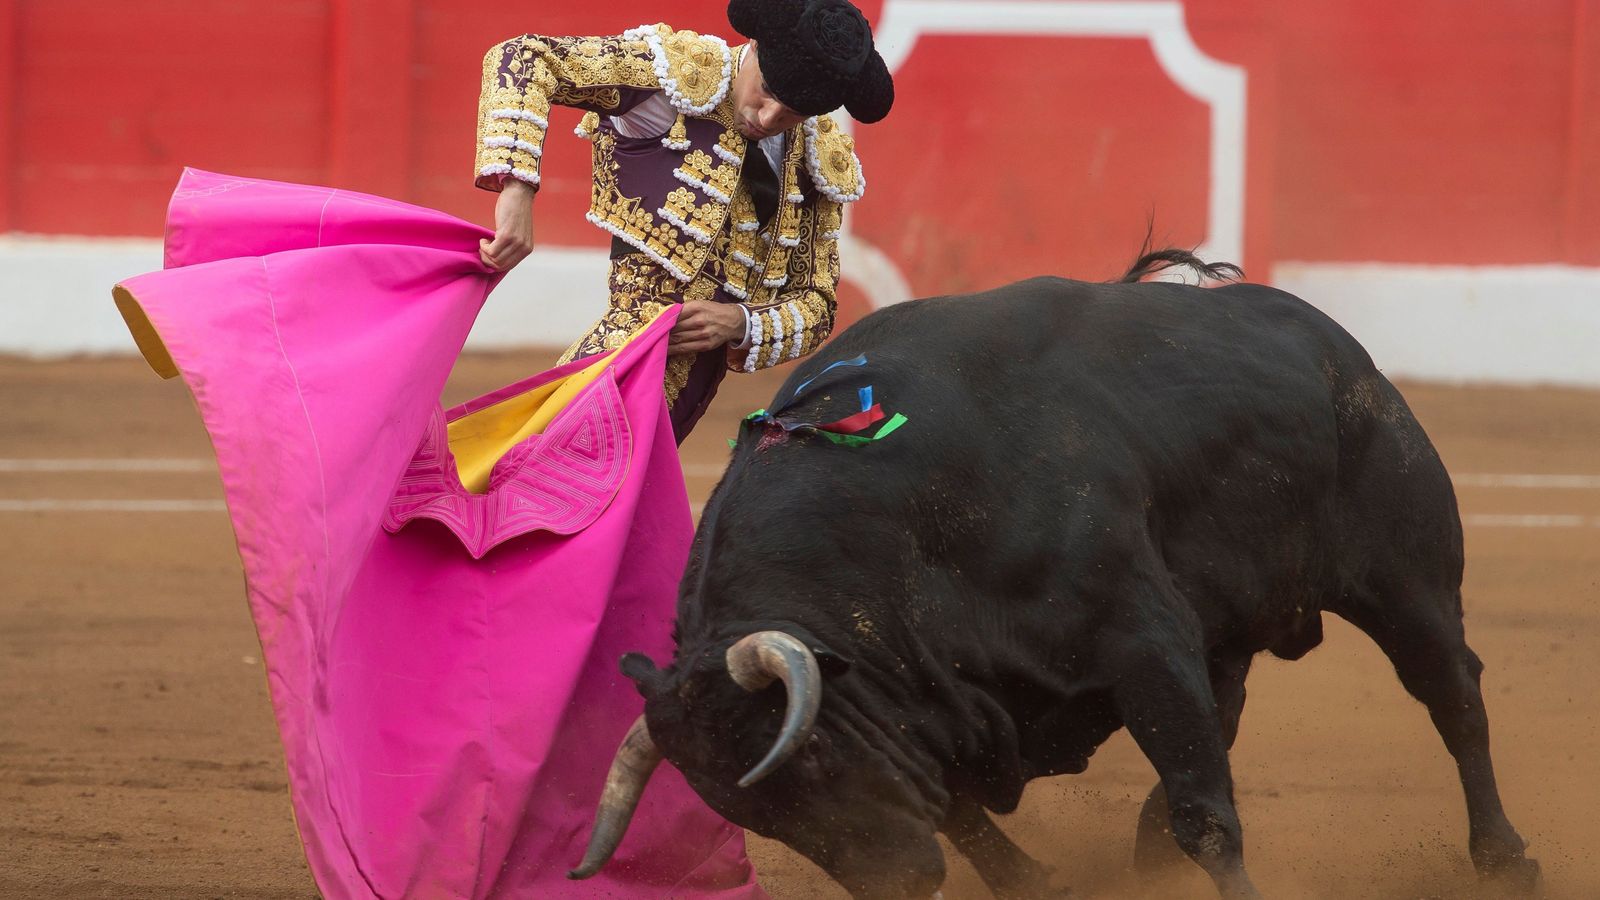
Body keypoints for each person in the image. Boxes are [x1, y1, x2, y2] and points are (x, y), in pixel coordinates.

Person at [474, 0, 895, 440]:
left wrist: (740, 323)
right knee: (546, 476)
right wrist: (517, 186)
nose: (767, 118)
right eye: (767, 90)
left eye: (792, 113)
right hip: (621, 360)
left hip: (692, 391)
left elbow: (817, 303)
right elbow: (523, 57)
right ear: (753, 45)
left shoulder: (815, 158)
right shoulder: (677, 78)